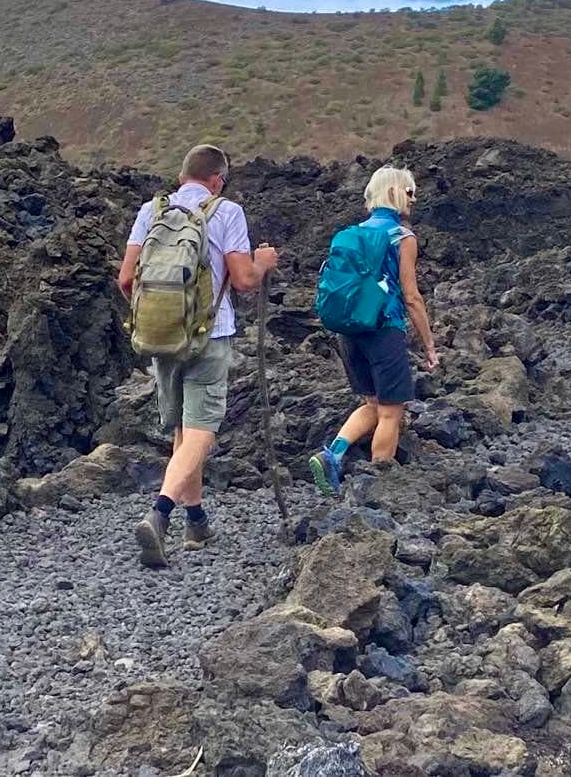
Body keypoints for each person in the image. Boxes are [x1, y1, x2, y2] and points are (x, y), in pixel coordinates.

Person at [117, 144, 278, 568]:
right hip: (210, 334)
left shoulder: (151, 211)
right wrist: (263, 262)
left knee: (184, 432)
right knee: (202, 431)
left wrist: (159, 316)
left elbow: (126, 279)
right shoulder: (227, 212)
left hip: (161, 337)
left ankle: (196, 522)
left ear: (181, 175)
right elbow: (243, 279)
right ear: (217, 181)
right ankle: (160, 513)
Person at [308, 166, 437, 495]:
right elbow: (411, 296)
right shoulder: (402, 237)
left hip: (349, 331)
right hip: (384, 329)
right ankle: (380, 486)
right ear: (395, 193)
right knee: (392, 411)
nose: (414, 199)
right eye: (410, 192)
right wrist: (429, 346)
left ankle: (332, 455)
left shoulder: (353, 233)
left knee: (373, 405)